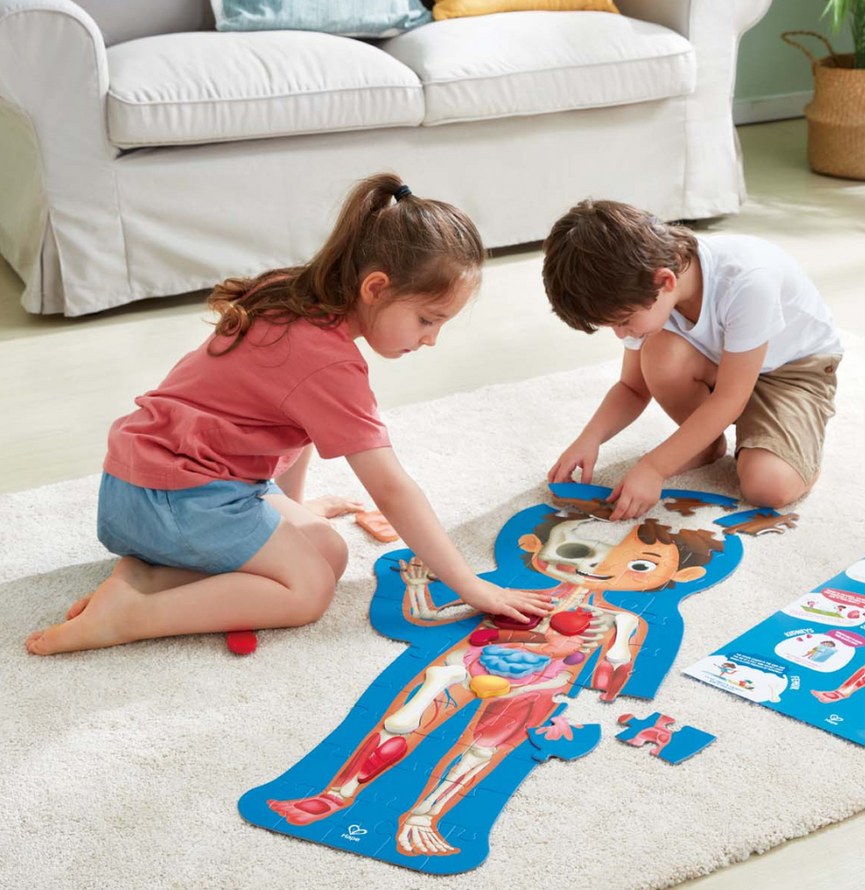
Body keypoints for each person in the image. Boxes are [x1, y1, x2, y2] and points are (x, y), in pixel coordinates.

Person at [26, 174, 550, 655]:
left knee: (329, 552)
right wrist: (470, 586)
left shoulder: (295, 292)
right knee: (308, 592)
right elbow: (392, 489)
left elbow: (291, 422)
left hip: (156, 484)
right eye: (427, 320)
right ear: (375, 288)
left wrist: (291, 509)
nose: (431, 339)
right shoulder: (328, 363)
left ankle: (144, 578)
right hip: (172, 496)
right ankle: (130, 618)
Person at [543, 199, 843, 519]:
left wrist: (655, 467)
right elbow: (632, 388)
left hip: (792, 371)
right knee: (659, 353)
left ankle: (801, 457)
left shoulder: (748, 281)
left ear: (665, 282)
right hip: (724, 364)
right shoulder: (642, 284)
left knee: (767, 487)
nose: (620, 334)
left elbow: (730, 398)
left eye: (624, 321)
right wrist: (589, 439)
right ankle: (706, 445)